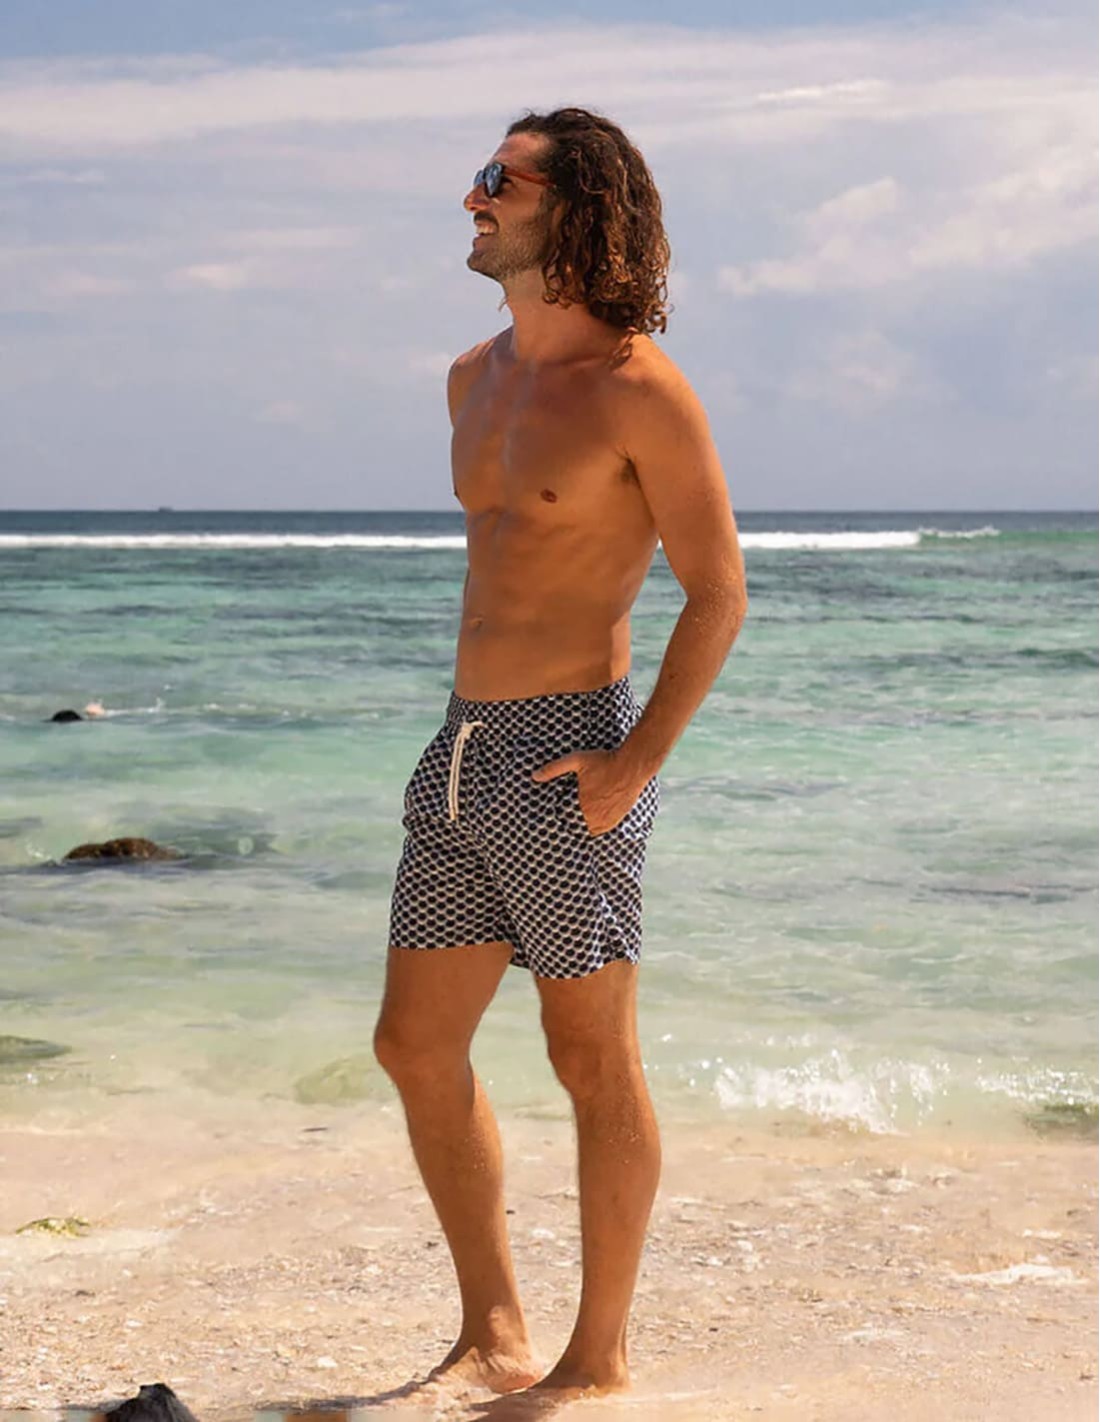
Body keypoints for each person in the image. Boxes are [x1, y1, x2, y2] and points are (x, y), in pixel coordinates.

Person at [374, 107, 747, 1402]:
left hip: (568, 753)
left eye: (501, 180)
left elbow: (718, 593)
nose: (472, 198)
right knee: (413, 1047)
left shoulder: (641, 389)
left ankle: (600, 1357)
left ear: (577, 206)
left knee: (591, 1060)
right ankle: (493, 1329)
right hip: (462, 747)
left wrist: (634, 764)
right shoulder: (471, 378)